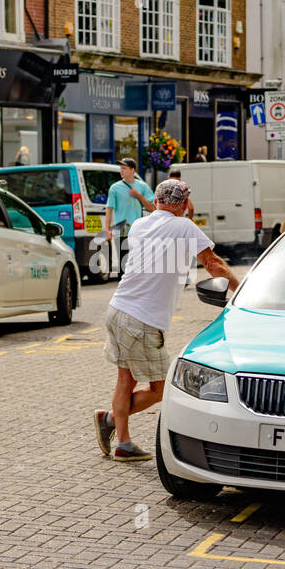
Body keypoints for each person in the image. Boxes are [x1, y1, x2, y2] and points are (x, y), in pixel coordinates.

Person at [95, 178, 239, 461]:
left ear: (158, 201)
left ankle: (121, 440)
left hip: (118, 308)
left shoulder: (139, 225)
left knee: (126, 378)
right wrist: (242, 289)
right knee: (161, 388)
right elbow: (213, 264)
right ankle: (112, 420)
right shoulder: (183, 226)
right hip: (142, 319)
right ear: (184, 204)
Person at [105, 158, 155, 273]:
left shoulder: (143, 187)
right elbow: (109, 209)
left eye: (124, 168)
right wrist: (107, 229)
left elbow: (152, 208)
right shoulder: (114, 188)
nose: (121, 171)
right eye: (120, 168)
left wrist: (139, 196)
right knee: (123, 267)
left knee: (139, 265)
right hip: (122, 231)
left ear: (133, 170)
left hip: (139, 232)